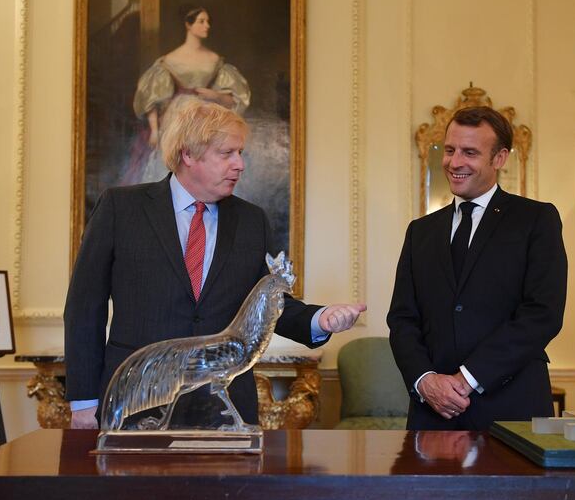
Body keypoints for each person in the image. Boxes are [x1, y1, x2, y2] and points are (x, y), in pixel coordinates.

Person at [65, 97, 366, 429]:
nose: (239, 165)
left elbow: (268, 304)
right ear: (188, 154)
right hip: (140, 402)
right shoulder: (121, 209)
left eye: (240, 153)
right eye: (227, 154)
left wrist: (320, 319)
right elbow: (84, 308)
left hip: (224, 410)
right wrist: (84, 402)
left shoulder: (252, 221)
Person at [386, 106, 567, 430]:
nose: (455, 163)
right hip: (433, 412)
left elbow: (542, 314)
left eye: (470, 152)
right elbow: (402, 319)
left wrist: (467, 379)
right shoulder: (420, 231)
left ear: (499, 159)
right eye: (450, 150)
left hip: (512, 408)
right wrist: (426, 381)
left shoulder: (536, 220)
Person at [123, 5, 251, 184]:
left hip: (206, 117)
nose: (207, 25)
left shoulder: (215, 60)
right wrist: (154, 130)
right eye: (201, 21)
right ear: (188, 25)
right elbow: (152, 97)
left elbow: (233, 99)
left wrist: (214, 95)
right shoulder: (169, 60)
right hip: (175, 118)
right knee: (176, 162)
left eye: (208, 22)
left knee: (206, 160)